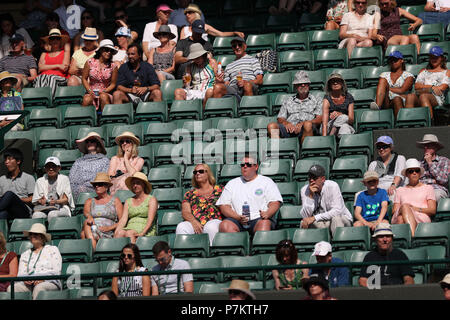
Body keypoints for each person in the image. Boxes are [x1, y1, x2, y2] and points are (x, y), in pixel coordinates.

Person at [216, 154, 283, 234]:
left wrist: (268, 213)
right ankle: (238, 246)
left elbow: (275, 203)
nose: (245, 166)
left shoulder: (266, 182)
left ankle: (259, 246)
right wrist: (237, 217)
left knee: (264, 224)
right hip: (237, 220)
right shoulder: (232, 183)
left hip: (259, 219)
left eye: (248, 164)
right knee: (225, 225)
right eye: (242, 164)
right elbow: (224, 206)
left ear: (256, 167)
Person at [9, 223, 62, 300]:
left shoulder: (53, 250)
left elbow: (56, 271)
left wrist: (43, 279)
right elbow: (21, 274)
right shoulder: (25, 254)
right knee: (12, 288)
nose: (32, 236)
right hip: (28, 284)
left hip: (49, 282)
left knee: (39, 288)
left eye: (36, 234)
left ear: (43, 237)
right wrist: (25, 280)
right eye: (31, 234)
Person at [267, 71, 322, 143]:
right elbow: (280, 118)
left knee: (307, 125)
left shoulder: (317, 100)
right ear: (295, 86)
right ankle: (280, 149)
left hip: (307, 128)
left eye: (305, 83)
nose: (303, 85)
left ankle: (304, 151)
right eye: (299, 84)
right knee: (271, 126)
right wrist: (286, 123)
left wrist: (304, 123)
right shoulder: (288, 100)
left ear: (308, 84)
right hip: (290, 128)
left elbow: (319, 119)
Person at [176, 164, 223, 246]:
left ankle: (211, 253)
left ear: (208, 174)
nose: (197, 173)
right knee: (182, 226)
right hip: (195, 222)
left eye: (201, 171)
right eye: (195, 172)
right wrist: (194, 222)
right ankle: (185, 254)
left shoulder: (220, 189)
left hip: (214, 220)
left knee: (210, 227)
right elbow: (185, 212)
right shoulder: (189, 194)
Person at [300, 165, 353, 237]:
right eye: (310, 177)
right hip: (321, 223)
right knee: (303, 222)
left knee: (336, 219)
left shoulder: (333, 186)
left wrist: (315, 218)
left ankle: (337, 245)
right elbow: (305, 216)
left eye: (314, 177)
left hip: (341, 220)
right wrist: (310, 196)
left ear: (323, 179)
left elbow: (337, 211)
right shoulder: (304, 190)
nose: (311, 180)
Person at [359, 222, 414, 287]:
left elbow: (409, 279)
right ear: (376, 239)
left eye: (388, 236)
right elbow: (362, 280)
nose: (385, 239)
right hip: (374, 294)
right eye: (381, 236)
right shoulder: (369, 257)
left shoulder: (400, 255)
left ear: (392, 239)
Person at [392, 158, 436, 237]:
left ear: (420, 173)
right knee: (403, 210)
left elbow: (432, 210)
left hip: (421, 217)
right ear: (407, 174)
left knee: (401, 218)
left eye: (417, 171)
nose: (414, 173)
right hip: (401, 213)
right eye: (411, 171)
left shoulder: (428, 188)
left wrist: (414, 209)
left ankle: (406, 241)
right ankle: (412, 238)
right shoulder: (400, 190)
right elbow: (395, 210)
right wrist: (406, 208)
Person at [405, 46, 449, 121]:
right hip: (421, 94)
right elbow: (417, 86)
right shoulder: (423, 71)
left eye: (436, 57)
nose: (433, 59)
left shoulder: (446, 72)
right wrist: (432, 87)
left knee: (424, 96)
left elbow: (443, 87)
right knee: (410, 96)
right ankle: (408, 121)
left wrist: (425, 88)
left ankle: (429, 123)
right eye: (432, 57)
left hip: (437, 97)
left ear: (441, 58)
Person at [212, 36, 263, 101]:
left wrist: (245, 82)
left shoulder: (253, 60)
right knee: (217, 87)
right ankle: (217, 110)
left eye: (240, 45)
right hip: (233, 88)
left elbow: (260, 80)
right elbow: (226, 83)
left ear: (245, 46)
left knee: (247, 85)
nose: (237, 47)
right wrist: (220, 81)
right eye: (234, 46)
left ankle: (247, 110)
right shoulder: (229, 66)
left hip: (249, 85)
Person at [82, 173, 123, 250]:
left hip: (107, 231)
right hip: (92, 229)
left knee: (85, 231)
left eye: (99, 184)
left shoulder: (115, 201)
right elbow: (86, 211)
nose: (97, 186)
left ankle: (92, 251)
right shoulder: (90, 201)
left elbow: (122, 221)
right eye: (95, 185)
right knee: (87, 223)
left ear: (106, 186)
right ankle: (94, 249)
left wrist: (109, 228)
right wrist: (89, 216)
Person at [114, 172, 157, 244]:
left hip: (145, 228)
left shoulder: (151, 199)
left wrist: (143, 233)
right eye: (133, 184)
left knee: (129, 234)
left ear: (143, 184)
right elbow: (123, 220)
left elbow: (150, 219)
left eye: (138, 183)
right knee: (119, 234)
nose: (135, 186)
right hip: (130, 226)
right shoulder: (128, 201)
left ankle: (134, 254)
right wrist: (116, 232)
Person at [369, 51, 414, 118]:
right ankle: (378, 106)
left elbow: (402, 90)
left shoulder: (408, 75)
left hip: (400, 100)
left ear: (401, 60)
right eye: (391, 60)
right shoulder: (384, 74)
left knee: (397, 99)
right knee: (383, 80)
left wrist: (386, 89)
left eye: (395, 60)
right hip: (386, 100)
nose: (393, 62)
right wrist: (386, 90)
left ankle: (400, 122)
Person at [69, 131, 110, 202]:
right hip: (78, 189)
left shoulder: (104, 160)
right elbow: (72, 178)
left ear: (97, 144)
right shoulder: (79, 161)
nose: (89, 143)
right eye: (87, 141)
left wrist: (89, 184)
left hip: (96, 188)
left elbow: (103, 178)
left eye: (92, 141)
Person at [31, 156, 75, 222]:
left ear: (59, 168)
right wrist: (41, 201)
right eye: (48, 167)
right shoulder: (40, 181)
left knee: (52, 214)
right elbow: (36, 200)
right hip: (45, 208)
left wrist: (55, 201)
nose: (51, 169)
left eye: (53, 166)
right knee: (36, 215)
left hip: (61, 207)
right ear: (45, 169)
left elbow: (66, 200)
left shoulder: (64, 179)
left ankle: (52, 232)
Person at [174, 43, 215, 107]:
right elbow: (187, 83)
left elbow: (218, 78)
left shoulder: (211, 62)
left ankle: (204, 112)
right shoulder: (189, 67)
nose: (197, 59)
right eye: (194, 57)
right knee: (178, 91)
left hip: (208, 88)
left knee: (210, 91)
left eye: (198, 57)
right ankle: (182, 113)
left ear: (203, 55)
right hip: (195, 90)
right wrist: (185, 82)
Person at [81, 39, 118, 111]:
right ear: (101, 50)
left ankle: (106, 119)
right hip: (91, 91)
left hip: (105, 92)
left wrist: (104, 91)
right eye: (107, 50)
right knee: (86, 99)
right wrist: (89, 91)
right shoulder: (90, 62)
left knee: (103, 97)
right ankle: (85, 120)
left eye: (111, 51)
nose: (109, 52)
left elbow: (113, 84)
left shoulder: (113, 66)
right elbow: (84, 79)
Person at [33, 28, 70, 98]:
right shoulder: (44, 54)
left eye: (57, 38)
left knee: (51, 78)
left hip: (59, 78)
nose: (55, 41)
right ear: (49, 41)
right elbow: (40, 68)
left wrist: (46, 67)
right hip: (44, 77)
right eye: (52, 39)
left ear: (60, 41)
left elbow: (64, 68)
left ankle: (49, 101)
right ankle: (40, 101)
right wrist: (58, 66)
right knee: (40, 78)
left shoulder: (65, 53)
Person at [0, 148, 35, 220]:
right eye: (5, 160)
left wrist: (16, 199)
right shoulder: (2, 179)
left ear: (18, 161)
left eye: (9, 159)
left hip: (23, 211)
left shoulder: (28, 178)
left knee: (9, 194)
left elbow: (33, 199)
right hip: (7, 210)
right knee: (2, 214)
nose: (6, 162)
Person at [179, 4, 245, 42]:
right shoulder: (184, 29)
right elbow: (181, 45)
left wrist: (234, 33)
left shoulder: (205, 26)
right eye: (185, 13)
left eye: (190, 12)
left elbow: (221, 34)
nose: (187, 15)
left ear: (196, 13)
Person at [368, 136, 406, 200]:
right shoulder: (373, 164)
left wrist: (393, 186)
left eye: (384, 146)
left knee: (392, 193)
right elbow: (369, 180)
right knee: (358, 195)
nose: (381, 149)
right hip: (377, 188)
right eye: (379, 147)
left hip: (394, 187)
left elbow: (399, 176)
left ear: (391, 147)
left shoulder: (400, 158)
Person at [107, 131, 144, 196]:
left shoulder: (139, 160)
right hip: (116, 188)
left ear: (133, 144)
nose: (124, 143)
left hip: (132, 187)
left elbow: (133, 174)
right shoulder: (115, 159)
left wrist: (126, 158)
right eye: (122, 142)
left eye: (127, 141)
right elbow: (110, 177)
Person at [416, 134, 450, 203]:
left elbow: (443, 180)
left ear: (435, 147)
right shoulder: (419, 163)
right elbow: (415, 181)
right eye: (424, 145)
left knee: (434, 195)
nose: (426, 147)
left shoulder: (444, 161)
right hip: (421, 189)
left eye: (428, 145)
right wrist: (433, 181)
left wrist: (430, 163)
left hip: (437, 189)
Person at [321, 73, 355, 137]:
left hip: (344, 124)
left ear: (342, 83)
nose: (335, 83)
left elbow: (351, 120)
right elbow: (324, 123)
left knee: (345, 126)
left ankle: (335, 137)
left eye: (337, 81)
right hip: (329, 126)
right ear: (329, 85)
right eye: (333, 81)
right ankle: (330, 136)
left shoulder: (349, 97)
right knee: (344, 117)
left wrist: (340, 114)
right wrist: (324, 138)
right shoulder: (327, 98)